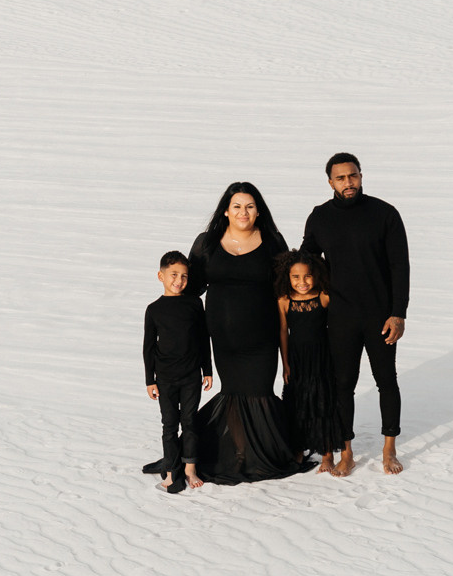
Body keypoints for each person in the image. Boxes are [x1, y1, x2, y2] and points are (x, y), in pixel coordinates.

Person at [300, 153, 409, 476]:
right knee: (342, 385)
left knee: (386, 380)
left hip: (380, 316)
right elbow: (306, 263)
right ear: (330, 182)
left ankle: (389, 449)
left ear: (361, 176)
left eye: (353, 176)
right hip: (340, 317)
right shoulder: (320, 217)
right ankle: (346, 451)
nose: (348, 183)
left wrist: (398, 314)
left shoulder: (385, 214)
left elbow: (400, 266)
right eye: (341, 178)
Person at [189, 182, 303, 483]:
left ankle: (265, 454)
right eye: (237, 206)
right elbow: (192, 288)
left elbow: (286, 286)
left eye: (250, 206)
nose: (244, 212)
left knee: (260, 392)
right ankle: (240, 453)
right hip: (223, 338)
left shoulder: (272, 241)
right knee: (234, 392)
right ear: (226, 211)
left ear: (258, 211)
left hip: (263, 336)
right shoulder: (206, 243)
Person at [142, 250, 212, 494]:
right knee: (169, 425)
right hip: (165, 378)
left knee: (190, 422)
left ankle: (190, 469)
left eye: (184, 276)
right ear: (160, 276)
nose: (179, 280)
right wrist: (149, 380)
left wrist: (207, 370)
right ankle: (171, 471)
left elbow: (203, 338)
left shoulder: (194, 304)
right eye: (173, 274)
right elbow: (148, 348)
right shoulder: (154, 309)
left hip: (191, 375)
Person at [276, 250, 342, 473]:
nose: (302, 282)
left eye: (307, 276)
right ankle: (298, 449)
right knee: (297, 402)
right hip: (297, 358)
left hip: (321, 357)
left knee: (323, 400)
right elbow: (283, 332)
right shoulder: (284, 300)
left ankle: (327, 454)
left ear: (316, 275)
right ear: (287, 277)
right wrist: (285, 363)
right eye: (296, 277)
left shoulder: (324, 296)